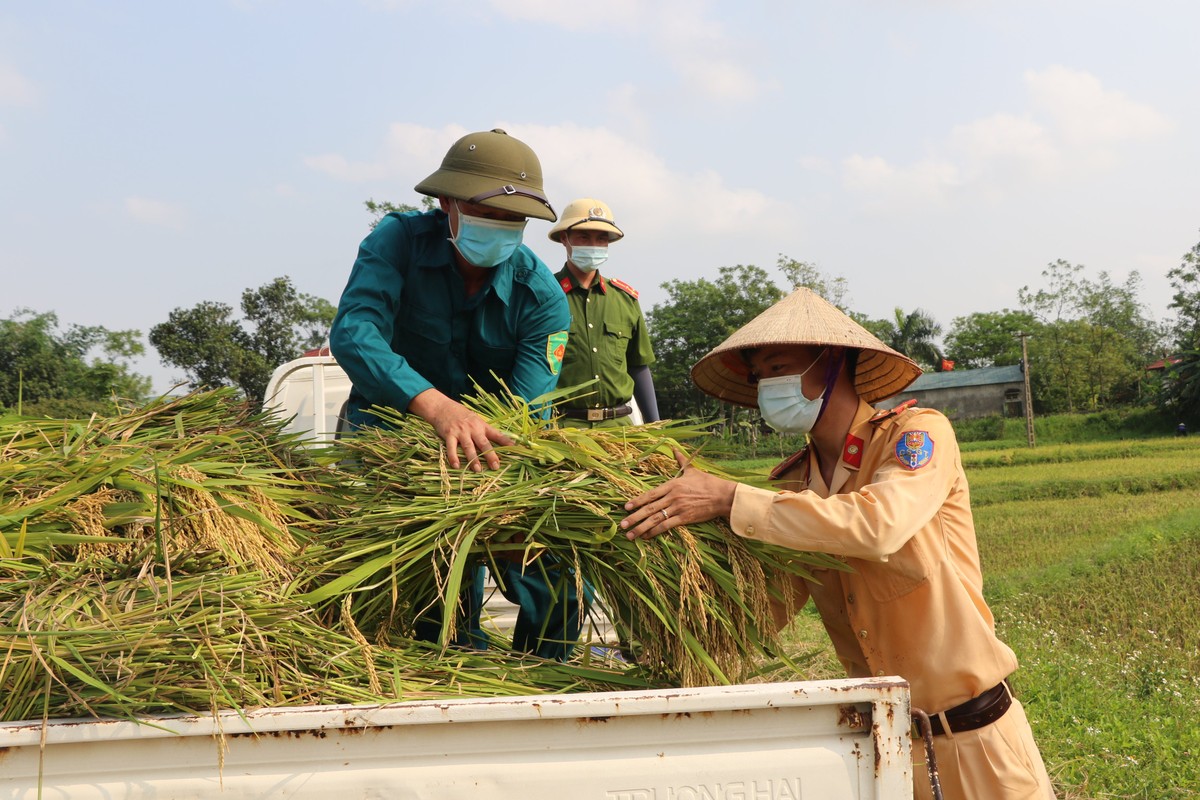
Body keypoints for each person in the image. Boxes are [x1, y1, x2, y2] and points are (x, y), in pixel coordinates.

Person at [619, 288, 1056, 799]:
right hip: (882, 749)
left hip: (975, 742)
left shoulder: (913, 436)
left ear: (832, 362)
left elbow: (879, 526)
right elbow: (770, 605)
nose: (767, 385)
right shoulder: (791, 486)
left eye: (778, 365)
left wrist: (729, 500)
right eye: (759, 376)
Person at [329, 128, 585, 661]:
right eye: (483, 210)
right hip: (388, 440)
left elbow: (524, 411)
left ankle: (546, 677)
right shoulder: (396, 241)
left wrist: (481, 457)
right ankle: (444, 666)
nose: (498, 226)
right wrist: (435, 406)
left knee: (553, 569)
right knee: (428, 579)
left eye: (513, 219)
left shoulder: (542, 299)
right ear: (445, 201)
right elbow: (356, 331)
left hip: (489, 448)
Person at [548, 198, 660, 427]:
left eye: (601, 239)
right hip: (563, 429)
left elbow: (638, 367)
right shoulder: (544, 296)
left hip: (620, 429)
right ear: (564, 238)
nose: (593, 245)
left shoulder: (624, 300)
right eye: (584, 237)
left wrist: (656, 427)